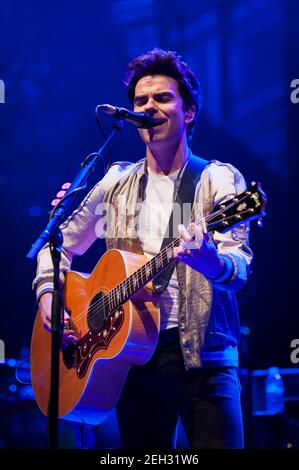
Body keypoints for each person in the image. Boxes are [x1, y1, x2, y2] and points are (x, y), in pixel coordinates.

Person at [33, 48, 253, 449]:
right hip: (128, 358)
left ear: (188, 112)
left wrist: (211, 262)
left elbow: (238, 268)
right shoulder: (114, 183)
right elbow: (57, 243)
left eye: (163, 98)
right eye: (140, 101)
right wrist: (50, 295)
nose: (149, 106)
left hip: (203, 361)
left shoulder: (217, 180)